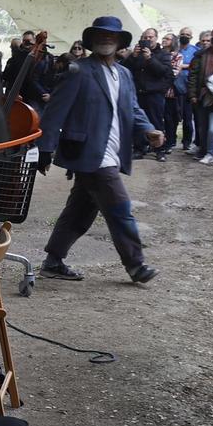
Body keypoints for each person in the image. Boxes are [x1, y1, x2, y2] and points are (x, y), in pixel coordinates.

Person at [36, 15, 163, 285]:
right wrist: (45, 149)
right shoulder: (78, 70)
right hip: (90, 154)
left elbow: (132, 108)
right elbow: (55, 111)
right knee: (120, 208)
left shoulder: (125, 74)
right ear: (92, 40)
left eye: (112, 35)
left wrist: (148, 128)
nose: (106, 39)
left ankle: (53, 261)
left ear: (119, 42)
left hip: (112, 153)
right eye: (101, 35)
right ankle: (136, 264)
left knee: (80, 210)